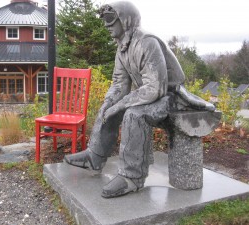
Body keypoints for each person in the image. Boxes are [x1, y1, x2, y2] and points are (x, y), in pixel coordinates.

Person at [64, 1, 215, 198]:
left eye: (110, 19)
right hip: (153, 94)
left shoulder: (146, 42)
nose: (106, 25)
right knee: (109, 107)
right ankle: (95, 156)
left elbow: (156, 87)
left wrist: (121, 104)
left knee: (134, 114)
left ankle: (132, 177)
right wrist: (110, 103)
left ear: (125, 19)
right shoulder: (123, 47)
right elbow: (119, 83)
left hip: (172, 97)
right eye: (104, 20)